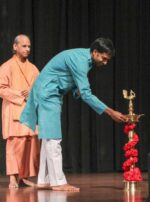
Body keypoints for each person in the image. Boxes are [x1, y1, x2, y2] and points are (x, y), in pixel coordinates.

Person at [20, 37, 127, 191]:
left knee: (48, 137)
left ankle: (45, 179)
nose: (105, 62)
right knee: (54, 137)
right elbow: (85, 93)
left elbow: (77, 85)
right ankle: (58, 182)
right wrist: (110, 112)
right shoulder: (81, 60)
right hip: (48, 93)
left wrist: (79, 91)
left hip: (50, 92)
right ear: (95, 52)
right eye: (104, 58)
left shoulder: (86, 59)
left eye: (107, 60)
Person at [0, 34, 40, 188]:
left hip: (30, 112)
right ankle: (12, 178)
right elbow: (1, 88)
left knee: (30, 145)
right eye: (24, 46)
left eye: (29, 46)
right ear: (15, 47)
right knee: (15, 144)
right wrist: (20, 94)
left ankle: (23, 177)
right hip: (14, 110)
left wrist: (32, 92)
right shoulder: (6, 66)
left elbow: (40, 87)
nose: (27, 49)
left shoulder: (33, 68)